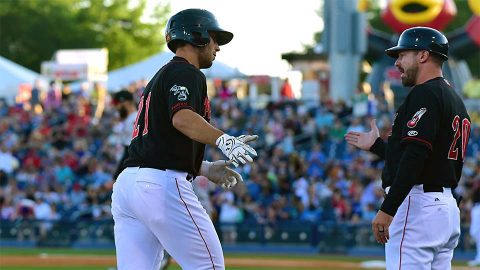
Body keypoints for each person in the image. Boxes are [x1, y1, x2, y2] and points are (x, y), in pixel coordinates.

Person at [111, 8, 258, 270]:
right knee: (209, 267)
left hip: (128, 185)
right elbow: (182, 119)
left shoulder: (158, 77)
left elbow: (156, 142)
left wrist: (204, 167)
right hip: (159, 185)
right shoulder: (187, 72)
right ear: (197, 36)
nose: (217, 47)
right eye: (214, 38)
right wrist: (225, 140)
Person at [345, 26, 471, 269]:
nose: (397, 63)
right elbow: (429, 157)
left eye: (403, 55)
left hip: (418, 206)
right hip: (445, 209)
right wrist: (378, 147)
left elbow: (416, 156)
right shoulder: (455, 99)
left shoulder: (425, 93)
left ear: (423, 55)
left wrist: (388, 208)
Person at [111, 90, 137, 181]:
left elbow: (131, 149)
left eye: (117, 104)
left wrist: (117, 174)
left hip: (130, 166)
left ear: (125, 103)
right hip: (123, 163)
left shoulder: (136, 118)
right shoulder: (126, 119)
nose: (116, 107)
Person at [469, 186, 480, 267]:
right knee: (474, 233)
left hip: (477, 208)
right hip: (476, 207)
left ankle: (478, 258)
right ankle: (478, 258)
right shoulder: (476, 187)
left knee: (476, 233)